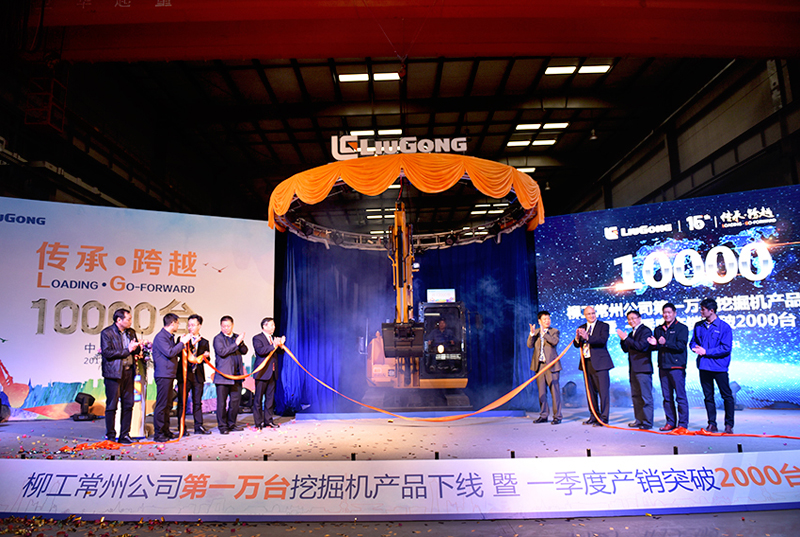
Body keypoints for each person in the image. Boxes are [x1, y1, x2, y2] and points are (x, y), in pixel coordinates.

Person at [691, 297, 734, 434]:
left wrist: (706, 352)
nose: (701, 312)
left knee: (726, 395)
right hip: (704, 366)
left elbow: (726, 348)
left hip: (719, 367)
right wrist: (694, 348)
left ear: (711, 310)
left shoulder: (724, 327)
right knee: (708, 396)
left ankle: (729, 425)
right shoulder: (699, 326)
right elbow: (693, 341)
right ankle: (712, 423)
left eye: (703, 309)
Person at [100, 308, 141, 443]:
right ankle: (111, 435)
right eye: (128, 319)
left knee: (128, 404)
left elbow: (135, 351)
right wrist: (127, 350)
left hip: (129, 372)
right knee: (112, 405)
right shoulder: (107, 333)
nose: (130, 321)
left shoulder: (131, 332)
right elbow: (107, 353)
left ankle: (125, 434)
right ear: (119, 320)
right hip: (113, 374)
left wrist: (137, 347)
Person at [648, 302, 689, 431]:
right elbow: (657, 347)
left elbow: (681, 346)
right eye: (664, 312)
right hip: (663, 367)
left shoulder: (682, 328)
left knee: (680, 396)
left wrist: (665, 343)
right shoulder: (658, 329)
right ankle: (670, 422)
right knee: (667, 397)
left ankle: (682, 424)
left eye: (669, 312)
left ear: (675, 313)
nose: (667, 315)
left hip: (677, 367)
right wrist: (653, 344)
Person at [152, 313, 191, 442]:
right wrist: (182, 343)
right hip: (163, 374)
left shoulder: (169, 337)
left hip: (169, 374)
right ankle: (158, 433)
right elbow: (169, 352)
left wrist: (181, 344)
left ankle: (165, 430)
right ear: (172, 323)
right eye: (178, 323)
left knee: (168, 404)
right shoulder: (161, 337)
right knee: (162, 404)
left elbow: (174, 352)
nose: (178, 326)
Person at [572, 306, 614, 426]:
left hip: (601, 363)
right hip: (586, 363)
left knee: (603, 392)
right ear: (585, 315)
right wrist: (577, 338)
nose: (591, 315)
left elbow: (602, 341)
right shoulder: (582, 327)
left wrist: (587, 337)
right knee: (590, 392)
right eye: (589, 314)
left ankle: (604, 418)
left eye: (593, 313)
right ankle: (594, 415)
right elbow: (577, 344)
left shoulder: (603, 326)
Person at [617, 310, 654, 430]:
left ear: (639, 318)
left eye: (633, 318)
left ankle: (647, 422)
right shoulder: (632, 333)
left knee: (646, 397)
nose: (631, 321)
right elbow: (626, 349)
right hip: (633, 368)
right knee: (636, 396)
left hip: (643, 368)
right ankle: (639, 420)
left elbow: (641, 346)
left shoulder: (645, 330)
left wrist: (626, 338)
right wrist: (623, 339)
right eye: (629, 319)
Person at [176, 314, 211, 435]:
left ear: (199, 326)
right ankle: (182, 427)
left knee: (197, 402)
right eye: (189, 325)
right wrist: (191, 344)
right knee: (182, 402)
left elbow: (207, 360)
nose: (190, 327)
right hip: (184, 375)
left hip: (198, 375)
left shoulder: (204, 342)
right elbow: (179, 354)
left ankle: (198, 426)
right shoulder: (182, 339)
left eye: (193, 325)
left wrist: (206, 356)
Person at [213, 315, 248, 435]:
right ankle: (222, 426)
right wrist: (236, 343)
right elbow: (222, 352)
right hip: (223, 377)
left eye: (228, 326)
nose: (226, 328)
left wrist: (240, 342)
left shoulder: (236, 337)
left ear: (232, 325)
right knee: (222, 403)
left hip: (237, 375)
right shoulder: (218, 339)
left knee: (235, 402)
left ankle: (231, 424)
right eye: (224, 326)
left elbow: (244, 351)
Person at [527, 311, 562, 424]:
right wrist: (532, 334)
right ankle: (543, 415)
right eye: (544, 319)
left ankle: (557, 416)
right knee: (542, 392)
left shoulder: (554, 331)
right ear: (539, 321)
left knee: (555, 392)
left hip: (551, 366)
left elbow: (554, 342)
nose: (547, 321)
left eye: (548, 319)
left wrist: (544, 334)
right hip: (540, 366)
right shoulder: (536, 332)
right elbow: (529, 345)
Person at [252, 317, 285, 429]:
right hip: (262, 373)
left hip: (272, 372)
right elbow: (260, 351)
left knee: (270, 399)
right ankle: (258, 423)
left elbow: (280, 352)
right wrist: (274, 345)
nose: (274, 327)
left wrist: (281, 345)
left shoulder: (273, 338)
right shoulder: (257, 338)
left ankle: (268, 421)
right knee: (258, 399)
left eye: (274, 325)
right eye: (271, 325)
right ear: (264, 326)